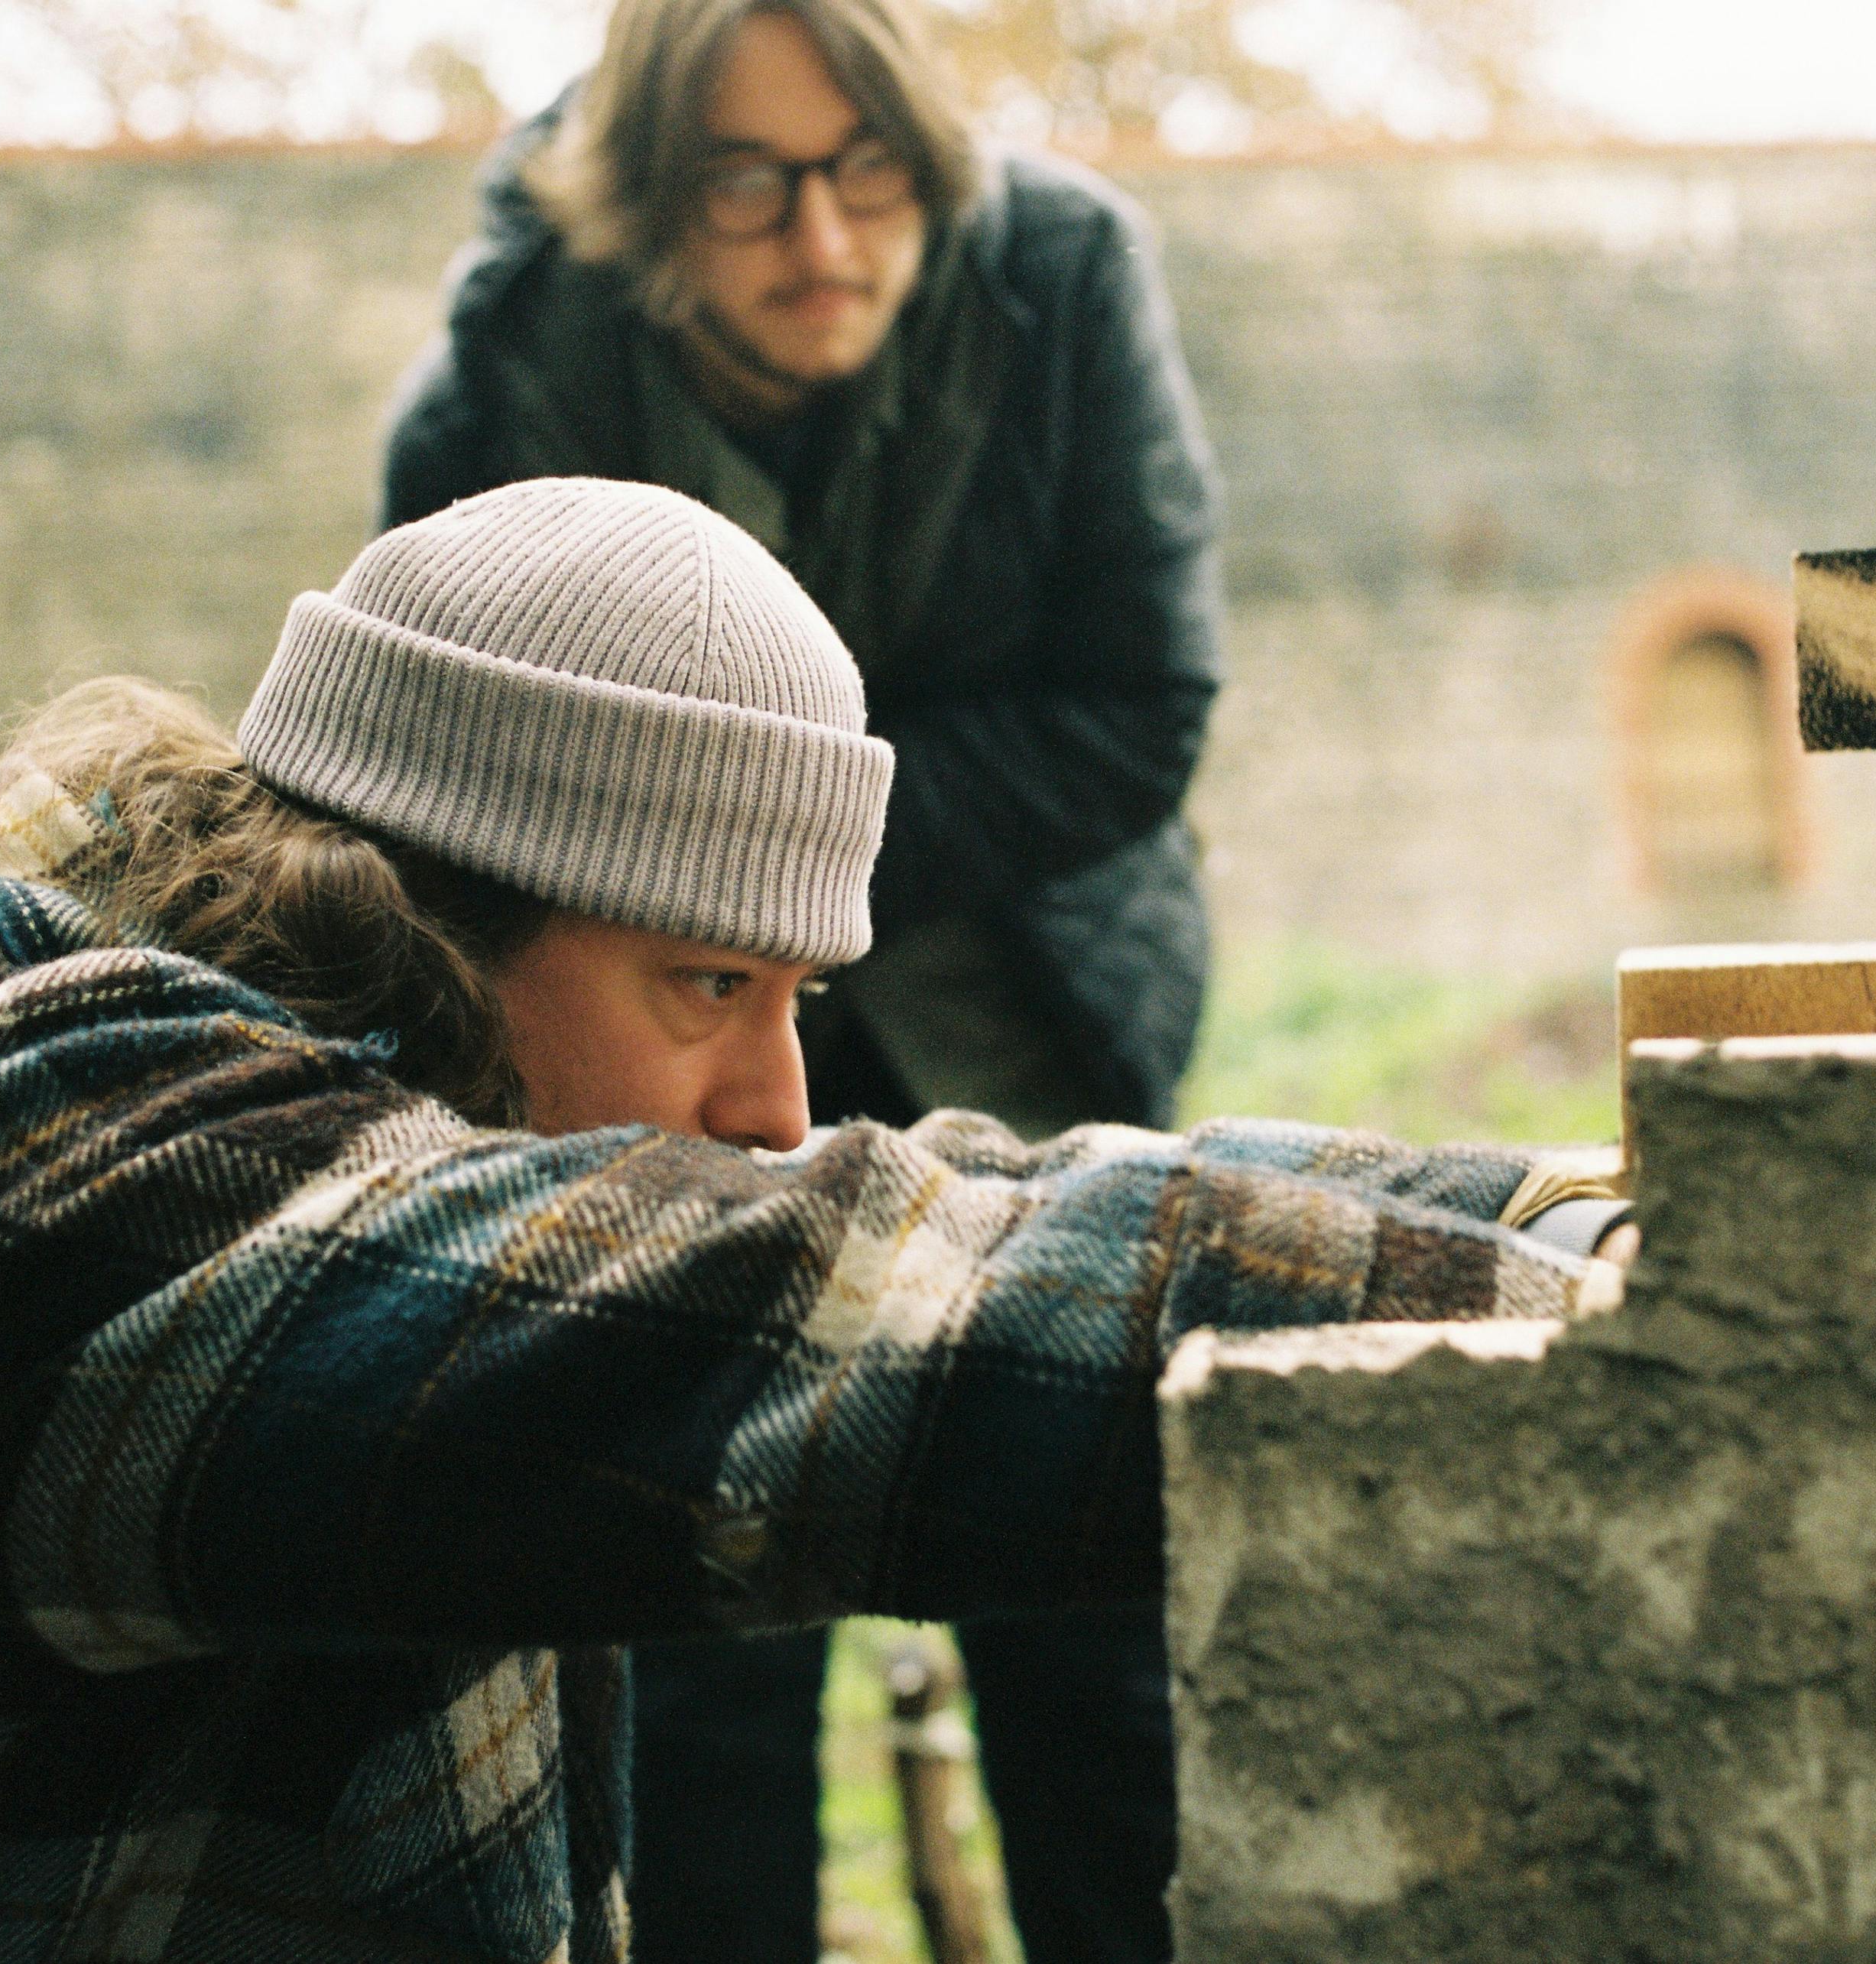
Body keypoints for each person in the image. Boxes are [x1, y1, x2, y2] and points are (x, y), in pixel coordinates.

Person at [0, 478, 1625, 1962]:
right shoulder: (36, 1175)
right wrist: (1611, 1340)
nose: (781, 1100)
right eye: (712, 983)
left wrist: (1596, 1218)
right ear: (425, 909)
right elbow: (822, 1317)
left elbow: (970, 1193)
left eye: (801, 1000)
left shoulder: (373, 1116)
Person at [379, 3, 1226, 1950]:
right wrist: (698, 925)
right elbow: (440, 773)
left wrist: (773, 863)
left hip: (1025, 1015)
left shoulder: (1071, 274)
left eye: (867, 177)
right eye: (748, 186)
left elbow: (1142, 700)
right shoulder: (523, 345)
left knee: (1089, 1607)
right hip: (644, 1068)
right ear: (648, 195)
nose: (823, 244)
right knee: (693, 1635)